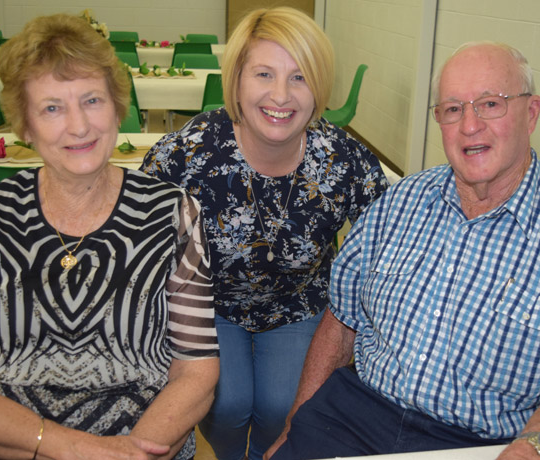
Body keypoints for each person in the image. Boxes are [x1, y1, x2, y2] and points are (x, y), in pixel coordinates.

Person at [266, 41, 540, 460]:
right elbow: (341, 321)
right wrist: (296, 425)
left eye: (491, 104)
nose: (470, 126)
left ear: (531, 113)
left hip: (484, 443)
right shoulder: (400, 201)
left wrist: (532, 451)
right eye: (453, 109)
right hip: (357, 414)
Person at [0, 13, 219, 460]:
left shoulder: (173, 215)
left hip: (139, 443)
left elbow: (196, 374)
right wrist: (71, 448)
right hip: (8, 443)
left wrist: (132, 453)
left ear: (117, 108)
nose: (79, 126)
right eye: (52, 108)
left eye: (92, 100)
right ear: (25, 125)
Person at [140, 6, 388, 459]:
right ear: (236, 80)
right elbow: (140, 234)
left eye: (299, 77)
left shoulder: (343, 159)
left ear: (319, 86)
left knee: (282, 406)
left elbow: (386, 243)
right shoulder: (190, 151)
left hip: (298, 303)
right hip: (210, 303)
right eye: (263, 74)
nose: (281, 96)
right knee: (226, 404)